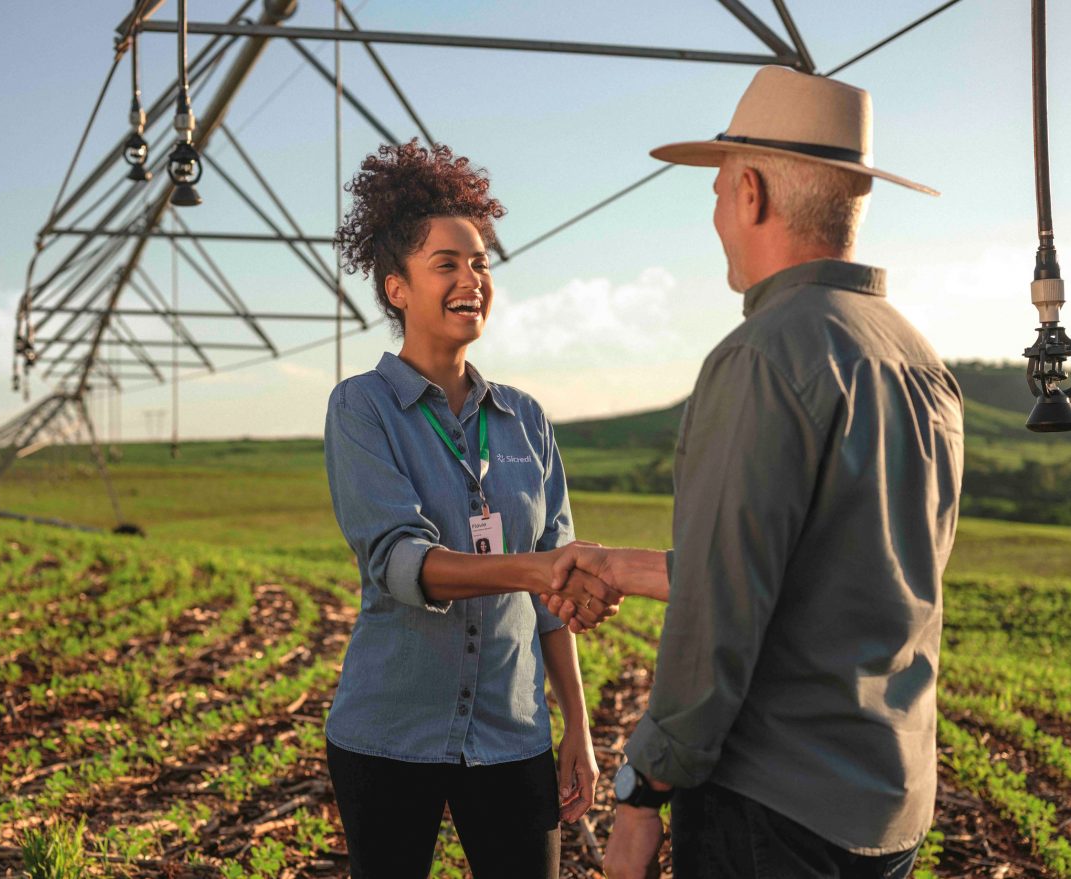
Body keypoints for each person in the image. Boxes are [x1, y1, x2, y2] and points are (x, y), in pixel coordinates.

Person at [545, 67, 965, 878]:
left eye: (714, 191)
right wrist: (627, 565)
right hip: (891, 803)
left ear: (750, 193)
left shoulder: (763, 356)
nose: (714, 215)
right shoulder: (917, 357)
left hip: (775, 807)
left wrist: (642, 793)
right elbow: (836, 572)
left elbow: (721, 614)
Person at [323, 140, 619, 879]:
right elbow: (402, 562)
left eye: (481, 262)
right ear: (397, 288)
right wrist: (540, 567)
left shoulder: (525, 418)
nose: (472, 279)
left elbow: (553, 599)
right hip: (390, 732)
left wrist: (575, 724)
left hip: (513, 730)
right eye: (447, 264)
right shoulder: (363, 407)